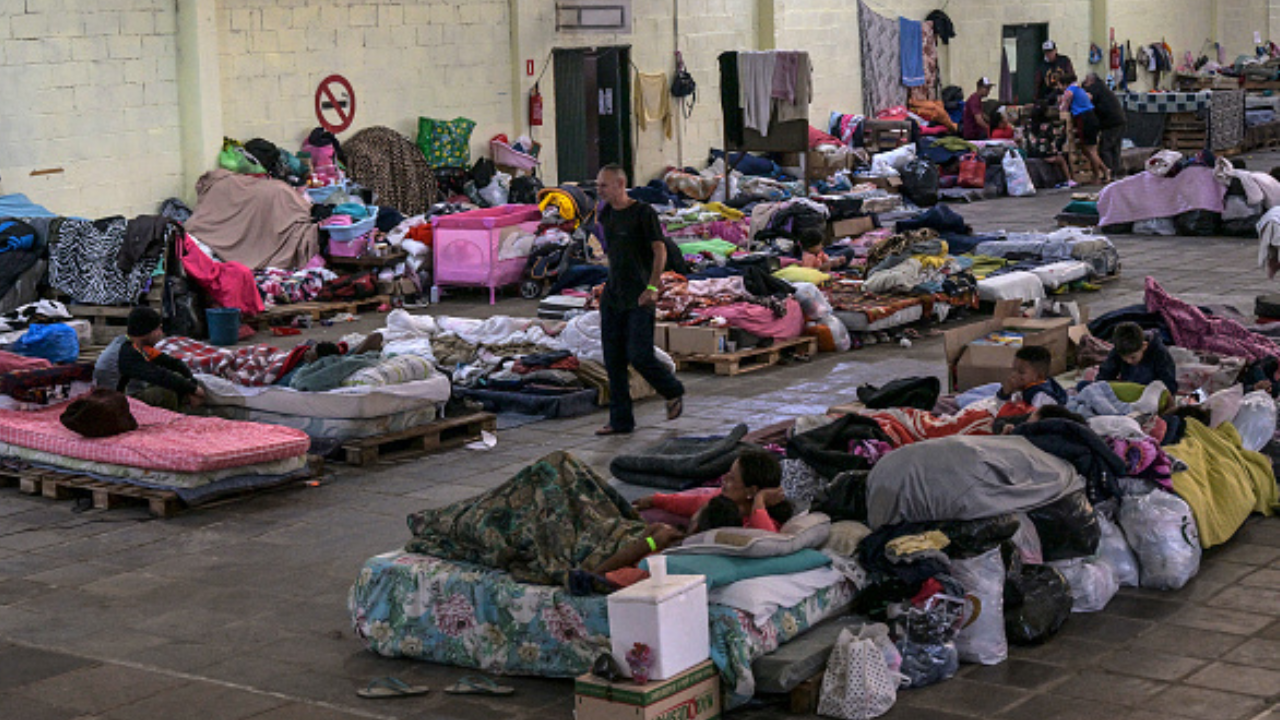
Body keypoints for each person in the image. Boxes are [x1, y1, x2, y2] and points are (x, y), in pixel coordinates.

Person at [594, 164, 686, 436]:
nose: (599, 190)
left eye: (604, 186)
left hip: (640, 295)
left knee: (639, 354)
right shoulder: (606, 213)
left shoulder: (643, 213)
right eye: (598, 185)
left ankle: (672, 390)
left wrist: (652, 286)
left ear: (620, 185)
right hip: (613, 295)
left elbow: (659, 251)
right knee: (614, 359)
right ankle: (621, 421)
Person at [633, 450, 795, 533]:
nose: (724, 479)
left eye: (732, 478)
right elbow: (691, 502)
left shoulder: (765, 520)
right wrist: (655, 499)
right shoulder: (721, 499)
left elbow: (765, 540)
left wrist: (760, 500)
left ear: (751, 490)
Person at [114, 307, 205, 411]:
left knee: (177, 378)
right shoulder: (127, 352)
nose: (161, 333)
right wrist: (194, 389)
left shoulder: (141, 347)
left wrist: (192, 383)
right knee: (165, 392)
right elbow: (158, 375)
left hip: (131, 394)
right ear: (148, 331)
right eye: (158, 329)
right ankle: (172, 421)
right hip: (116, 401)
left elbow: (173, 363)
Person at [1056, 74, 1111, 185]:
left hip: (1084, 119)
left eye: (1059, 85)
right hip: (1092, 117)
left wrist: (1061, 103)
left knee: (1090, 150)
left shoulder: (1070, 91)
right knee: (1086, 148)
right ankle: (1104, 170)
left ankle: (1098, 175)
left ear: (1063, 84)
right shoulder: (1080, 90)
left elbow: (1064, 107)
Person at [1097, 322, 1178, 391]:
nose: (1128, 361)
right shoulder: (1119, 349)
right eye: (1124, 358)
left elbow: (1169, 384)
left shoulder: (1160, 353)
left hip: (1152, 393)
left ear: (1144, 346)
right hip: (1128, 389)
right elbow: (1105, 374)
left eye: (1133, 357)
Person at [1082, 73, 1126, 178]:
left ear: (1090, 81)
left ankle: (1109, 172)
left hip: (1111, 122)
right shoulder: (1104, 89)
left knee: (1105, 148)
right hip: (1120, 120)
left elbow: (1088, 98)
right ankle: (1116, 172)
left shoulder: (1095, 89)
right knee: (1115, 148)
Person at [997, 345, 1067, 408]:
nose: (1014, 375)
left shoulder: (1040, 397)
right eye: (1013, 370)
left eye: (1021, 372)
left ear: (1039, 377)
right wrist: (1005, 393)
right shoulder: (1024, 388)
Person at [1025, 102, 1076, 188]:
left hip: (1032, 153)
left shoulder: (1029, 125)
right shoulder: (1047, 126)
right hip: (1045, 154)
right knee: (1062, 160)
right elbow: (1053, 139)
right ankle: (1069, 179)